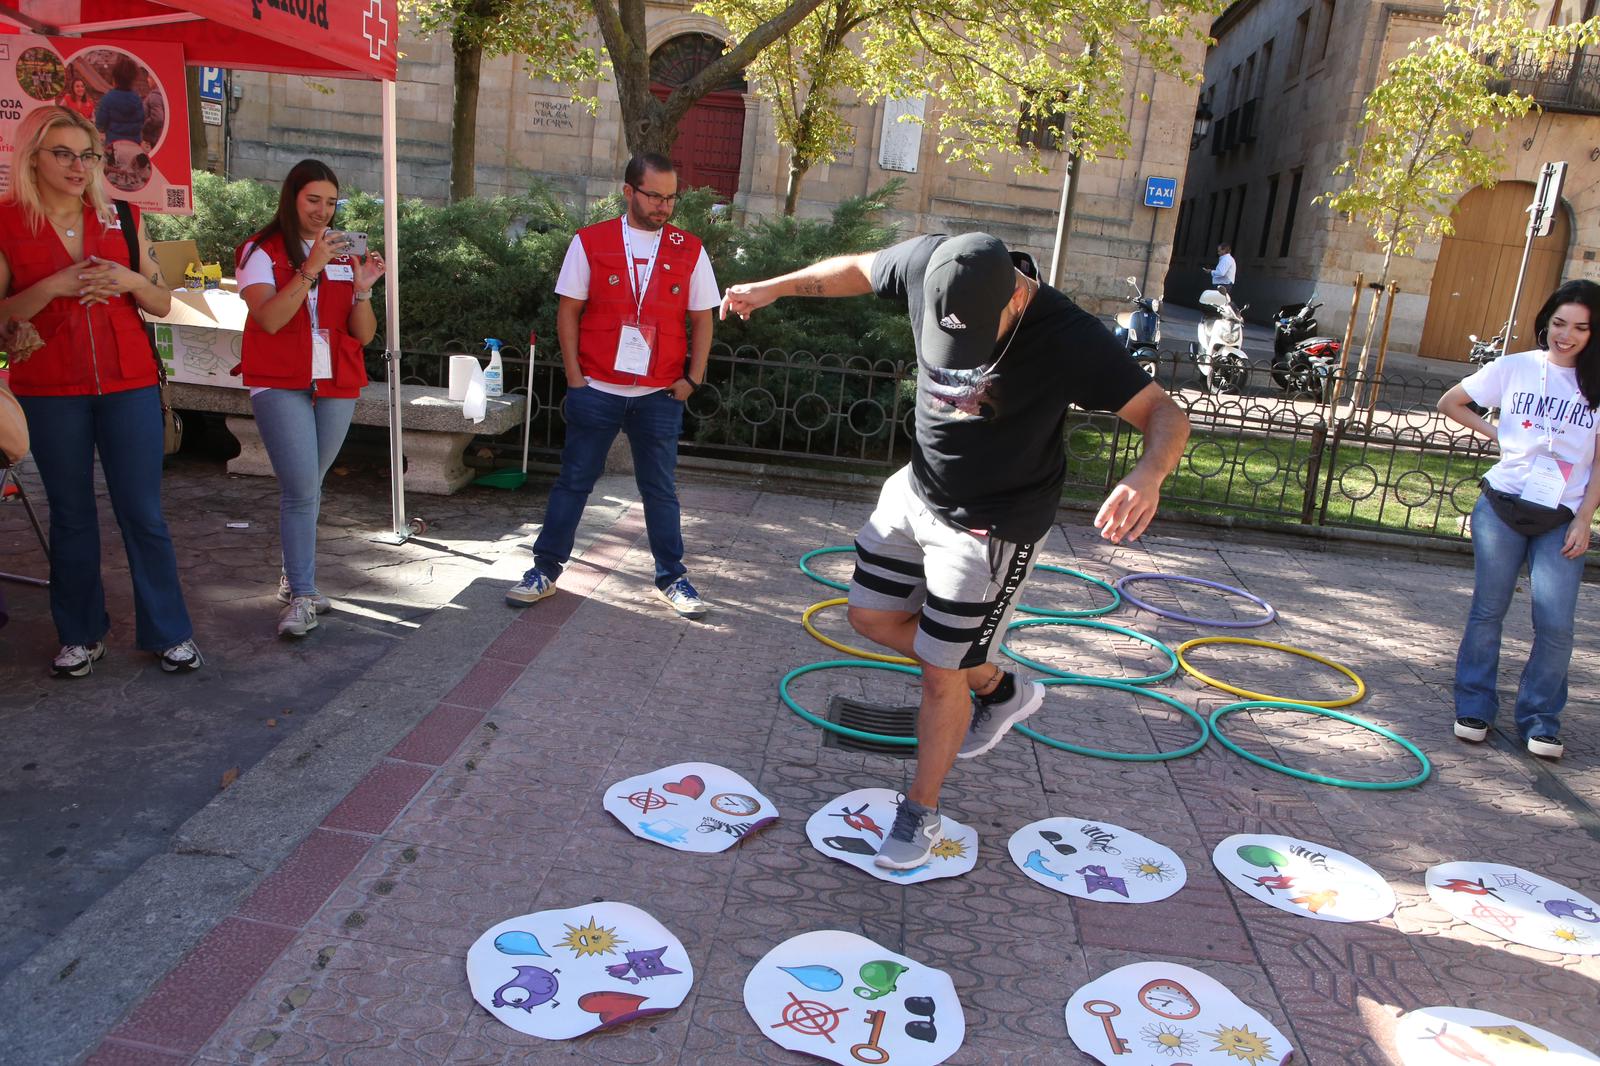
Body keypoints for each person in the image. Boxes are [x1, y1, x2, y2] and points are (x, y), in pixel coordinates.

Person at [723, 233, 1190, 868]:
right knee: (869, 617)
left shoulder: (1068, 333)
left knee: (940, 673)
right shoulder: (929, 262)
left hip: (991, 526)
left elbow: (1163, 411)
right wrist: (770, 287)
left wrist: (1148, 475)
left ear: (1013, 298)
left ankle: (921, 811)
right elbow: (856, 269)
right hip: (915, 490)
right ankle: (997, 684)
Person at [0, 105, 200, 676]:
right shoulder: (7, 222)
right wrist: (54, 286)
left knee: (143, 513)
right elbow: (2, 315)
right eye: (63, 153)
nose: (77, 165)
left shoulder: (124, 217)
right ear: (33, 157)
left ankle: (168, 631)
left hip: (129, 382)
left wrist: (133, 280)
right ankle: (80, 634)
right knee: (70, 515)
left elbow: (162, 302)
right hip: (49, 388)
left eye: (87, 155)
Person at [505, 153, 719, 618]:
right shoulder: (591, 242)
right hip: (598, 388)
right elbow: (568, 311)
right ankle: (544, 570)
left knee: (660, 489)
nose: (664, 206)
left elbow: (703, 317)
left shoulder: (690, 248)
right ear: (629, 192)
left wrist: (693, 378)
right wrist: (576, 379)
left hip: (660, 394)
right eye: (655, 196)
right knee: (573, 482)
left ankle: (673, 577)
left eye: (671, 198)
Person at [1437, 279, 1600, 760]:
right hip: (1501, 507)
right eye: (1558, 323)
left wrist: (1585, 517)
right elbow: (1450, 402)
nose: (1565, 336)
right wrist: (1497, 432)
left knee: (1556, 623)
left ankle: (1540, 719)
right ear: (1545, 322)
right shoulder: (1515, 367)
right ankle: (1474, 706)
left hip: (1561, 516)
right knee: (1488, 610)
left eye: (1580, 328)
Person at [237, 159, 385, 638]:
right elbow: (271, 319)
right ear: (291, 198)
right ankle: (302, 592)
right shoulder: (259, 251)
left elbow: (362, 336)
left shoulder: (343, 255)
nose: (323, 212)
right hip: (280, 379)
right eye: (312, 200)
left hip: (336, 378)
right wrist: (310, 268)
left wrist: (362, 291)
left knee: (310, 485)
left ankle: (293, 580)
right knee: (301, 488)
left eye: (330, 202)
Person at [93, 57, 145, 148]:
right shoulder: (137, 99)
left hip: (114, 144)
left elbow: (100, 124)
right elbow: (141, 121)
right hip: (134, 144)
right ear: (132, 80)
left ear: (115, 79)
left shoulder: (108, 99)